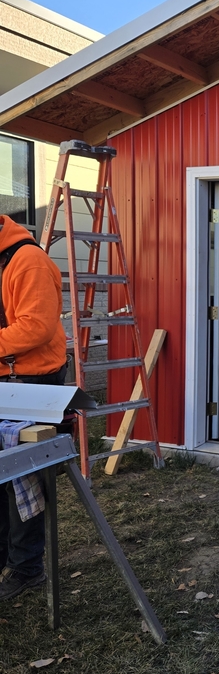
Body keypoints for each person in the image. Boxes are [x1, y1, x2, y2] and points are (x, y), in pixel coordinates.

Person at [0, 215, 67, 602]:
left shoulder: (28, 260)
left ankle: (27, 567)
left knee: (21, 480)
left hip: (32, 383)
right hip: (6, 380)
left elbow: (36, 327)